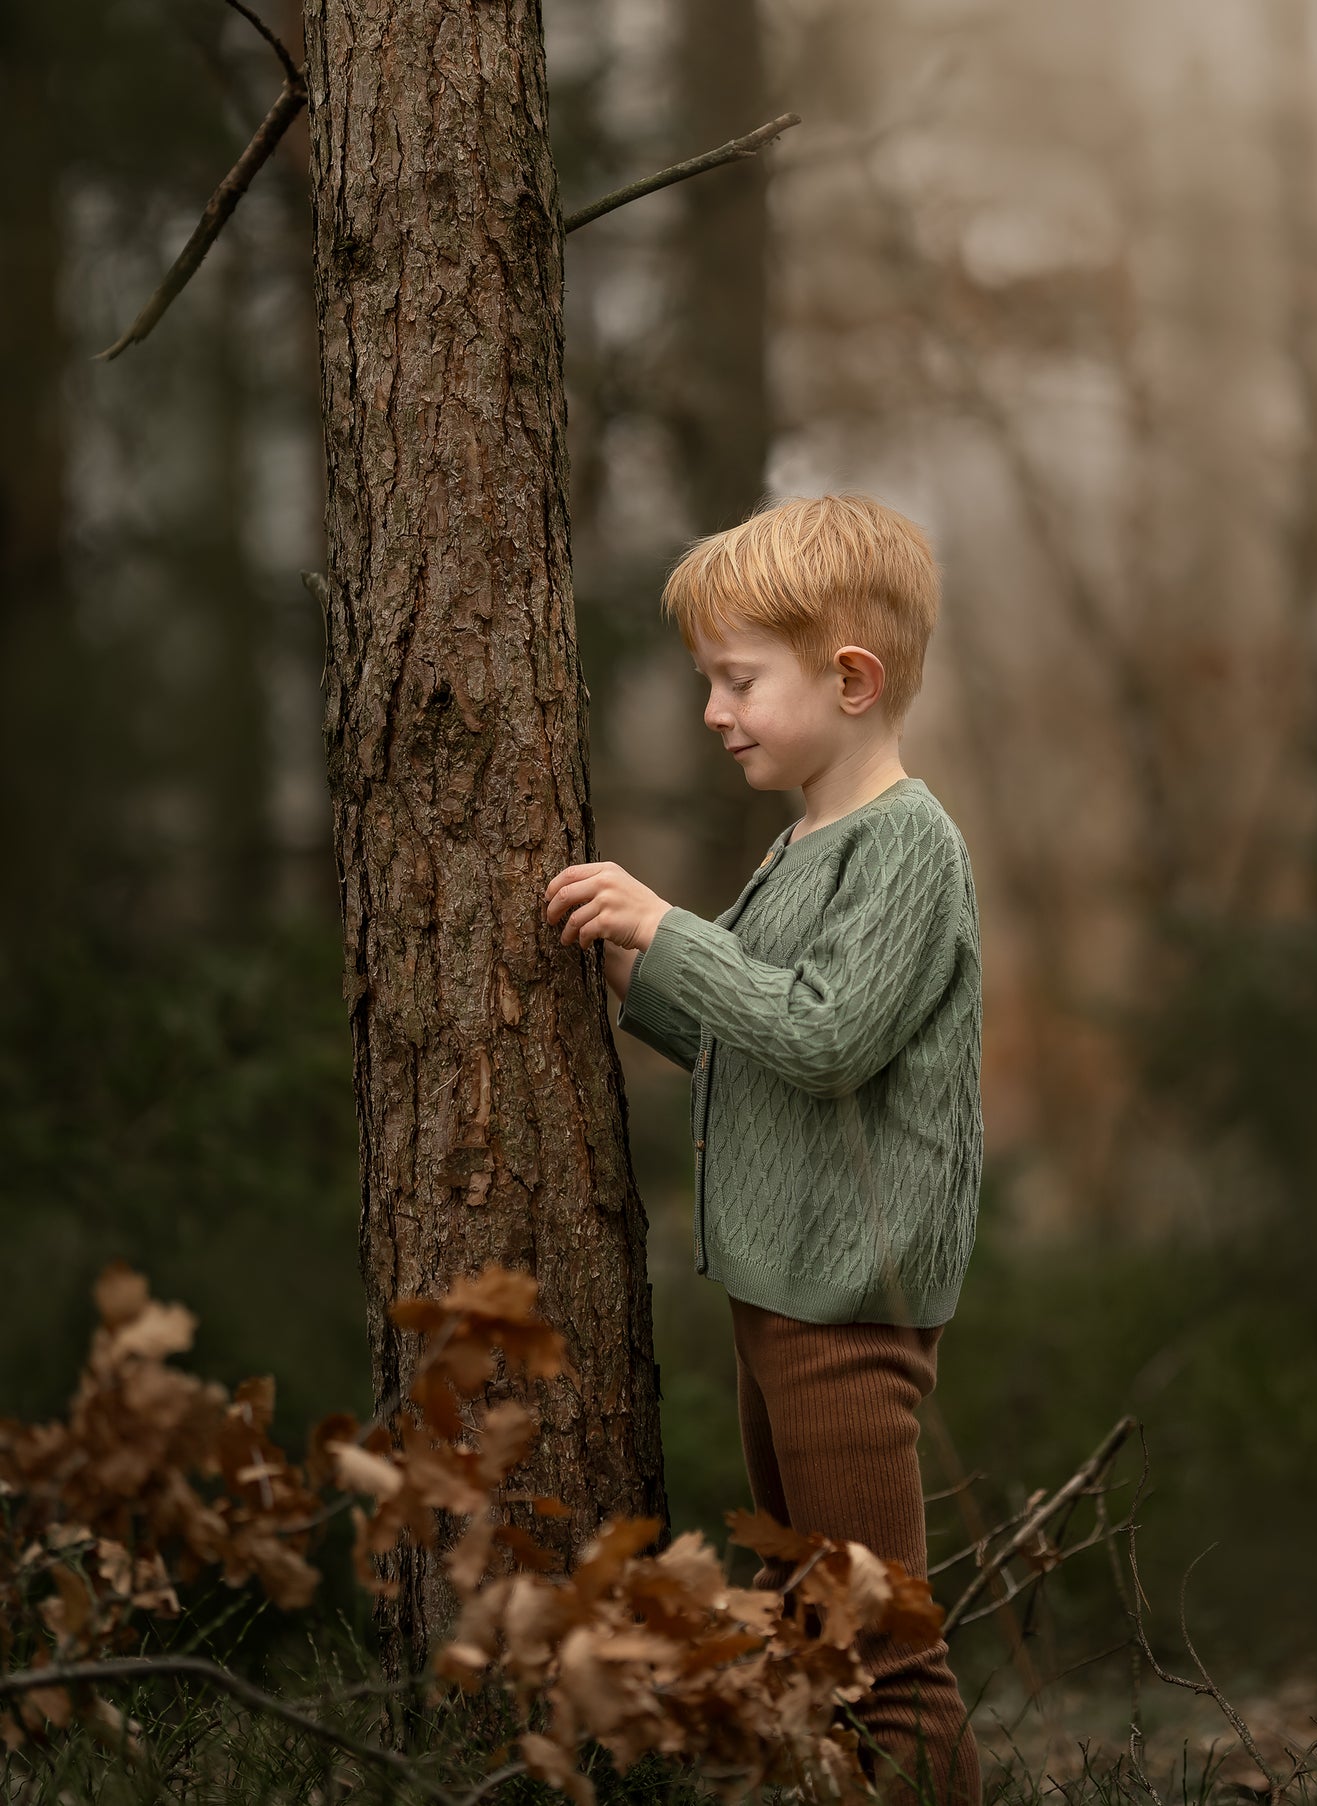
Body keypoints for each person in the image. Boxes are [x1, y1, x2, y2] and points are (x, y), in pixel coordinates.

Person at [543, 493, 984, 1804]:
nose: (712, 711)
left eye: (737, 680)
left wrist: (666, 928)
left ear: (849, 679)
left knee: (877, 1643)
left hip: (849, 1304)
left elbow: (829, 1035)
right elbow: (753, 1024)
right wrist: (639, 975)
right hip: (778, 1295)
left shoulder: (908, 845)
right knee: (806, 1621)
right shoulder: (804, 842)